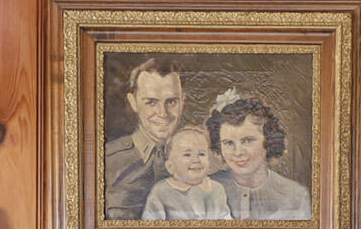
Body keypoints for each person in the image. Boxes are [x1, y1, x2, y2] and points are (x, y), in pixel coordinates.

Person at [102, 58, 187, 220]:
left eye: (171, 102)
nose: (163, 113)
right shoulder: (107, 160)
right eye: (151, 102)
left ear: (183, 101)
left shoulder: (205, 161)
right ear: (133, 102)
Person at [207, 90, 312, 219]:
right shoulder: (205, 186)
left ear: (268, 140)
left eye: (247, 140)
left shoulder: (295, 195)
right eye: (228, 143)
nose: (238, 152)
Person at [141, 124, 232, 219]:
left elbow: (225, 221)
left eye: (201, 154)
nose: (196, 160)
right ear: (170, 166)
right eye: (187, 154)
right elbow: (151, 225)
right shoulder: (161, 191)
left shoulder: (216, 189)